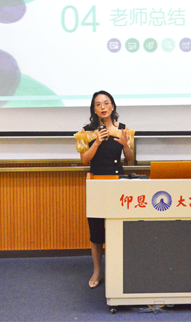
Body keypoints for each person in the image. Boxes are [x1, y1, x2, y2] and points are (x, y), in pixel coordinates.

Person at [74, 91, 135, 289]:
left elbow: (130, 159)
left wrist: (126, 146)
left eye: (106, 103)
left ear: (113, 106)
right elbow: (84, 160)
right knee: (96, 231)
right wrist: (97, 142)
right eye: (98, 104)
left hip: (118, 183)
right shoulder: (86, 132)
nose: (103, 107)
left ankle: (121, 269)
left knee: (121, 227)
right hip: (97, 183)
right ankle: (97, 271)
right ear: (94, 109)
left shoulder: (123, 129)